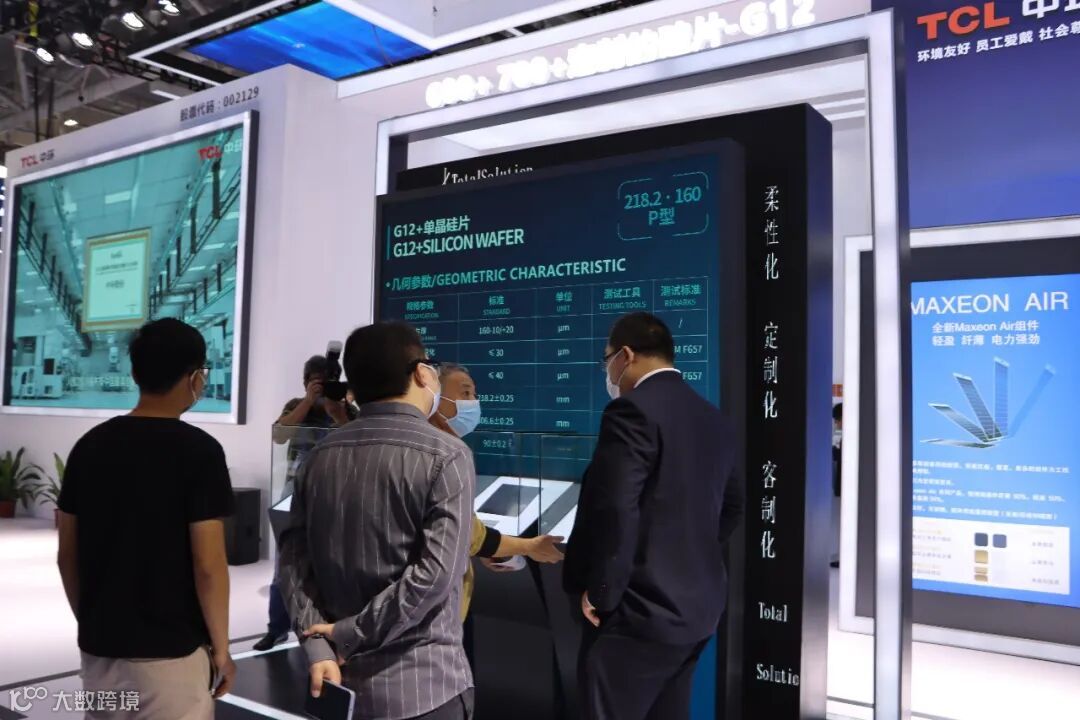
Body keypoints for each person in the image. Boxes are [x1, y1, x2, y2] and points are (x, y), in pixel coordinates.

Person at [278, 322, 475, 720]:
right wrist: (350, 632)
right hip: (423, 687)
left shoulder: (319, 457)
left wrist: (319, 644)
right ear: (421, 373)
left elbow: (293, 560)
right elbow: (436, 576)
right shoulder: (447, 455)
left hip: (338, 681)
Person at [563, 312, 744, 720]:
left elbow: (615, 507)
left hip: (638, 613)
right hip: (698, 609)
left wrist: (602, 590)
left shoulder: (631, 411)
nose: (608, 372)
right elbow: (733, 505)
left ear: (625, 356)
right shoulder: (713, 418)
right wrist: (682, 556)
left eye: (607, 360)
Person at [56, 318, 236, 719]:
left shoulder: (89, 446)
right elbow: (208, 565)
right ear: (195, 378)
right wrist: (222, 650)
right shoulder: (200, 452)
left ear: (135, 374)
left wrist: (95, 623)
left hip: (100, 654)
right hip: (171, 658)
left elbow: (67, 555)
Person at [428, 363, 565, 665]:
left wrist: (486, 549)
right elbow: (469, 534)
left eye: (474, 394)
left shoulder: (448, 449)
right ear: (435, 398)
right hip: (434, 615)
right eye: (465, 393)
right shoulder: (442, 453)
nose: (473, 403)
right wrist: (527, 546)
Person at [254, 356, 358, 652]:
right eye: (316, 382)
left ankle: (327, 630)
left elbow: (360, 438)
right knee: (284, 564)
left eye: (328, 382)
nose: (323, 388)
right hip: (295, 491)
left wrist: (340, 410)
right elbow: (280, 435)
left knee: (332, 565)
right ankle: (277, 628)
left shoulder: (348, 410)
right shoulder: (295, 405)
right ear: (305, 382)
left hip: (336, 493)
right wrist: (307, 402)